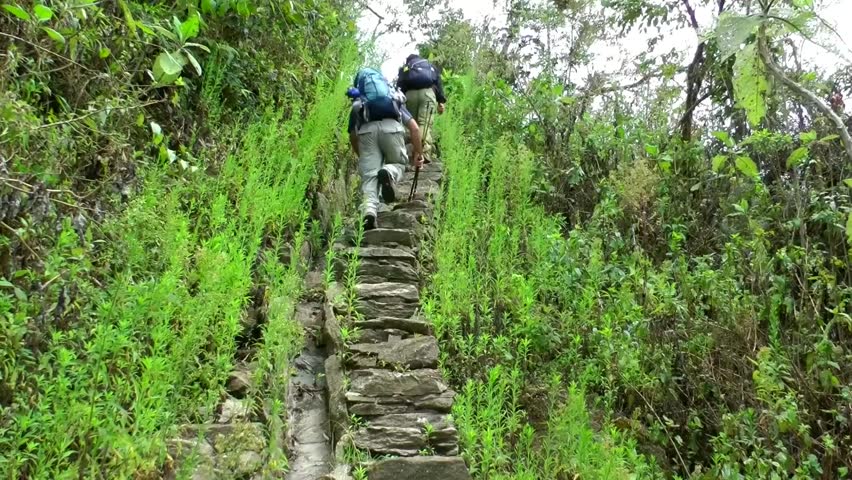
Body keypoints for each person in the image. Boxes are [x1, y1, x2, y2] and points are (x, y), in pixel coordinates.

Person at [347, 68, 423, 230]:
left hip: (366, 131)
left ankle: (369, 212)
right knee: (398, 163)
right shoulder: (391, 97)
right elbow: (415, 128)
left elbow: (353, 136)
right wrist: (418, 153)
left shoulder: (360, 101)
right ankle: (389, 172)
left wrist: (362, 156)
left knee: (369, 176)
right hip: (392, 128)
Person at [397, 54, 446, 162]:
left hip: (410, 95)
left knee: (412, 124)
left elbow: (399, 86)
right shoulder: (430, 66)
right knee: (424, 123)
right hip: (428, 94)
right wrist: (441, 101)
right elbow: (438, 83)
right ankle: (422, 153)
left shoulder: (406, 68)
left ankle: (412, 153)